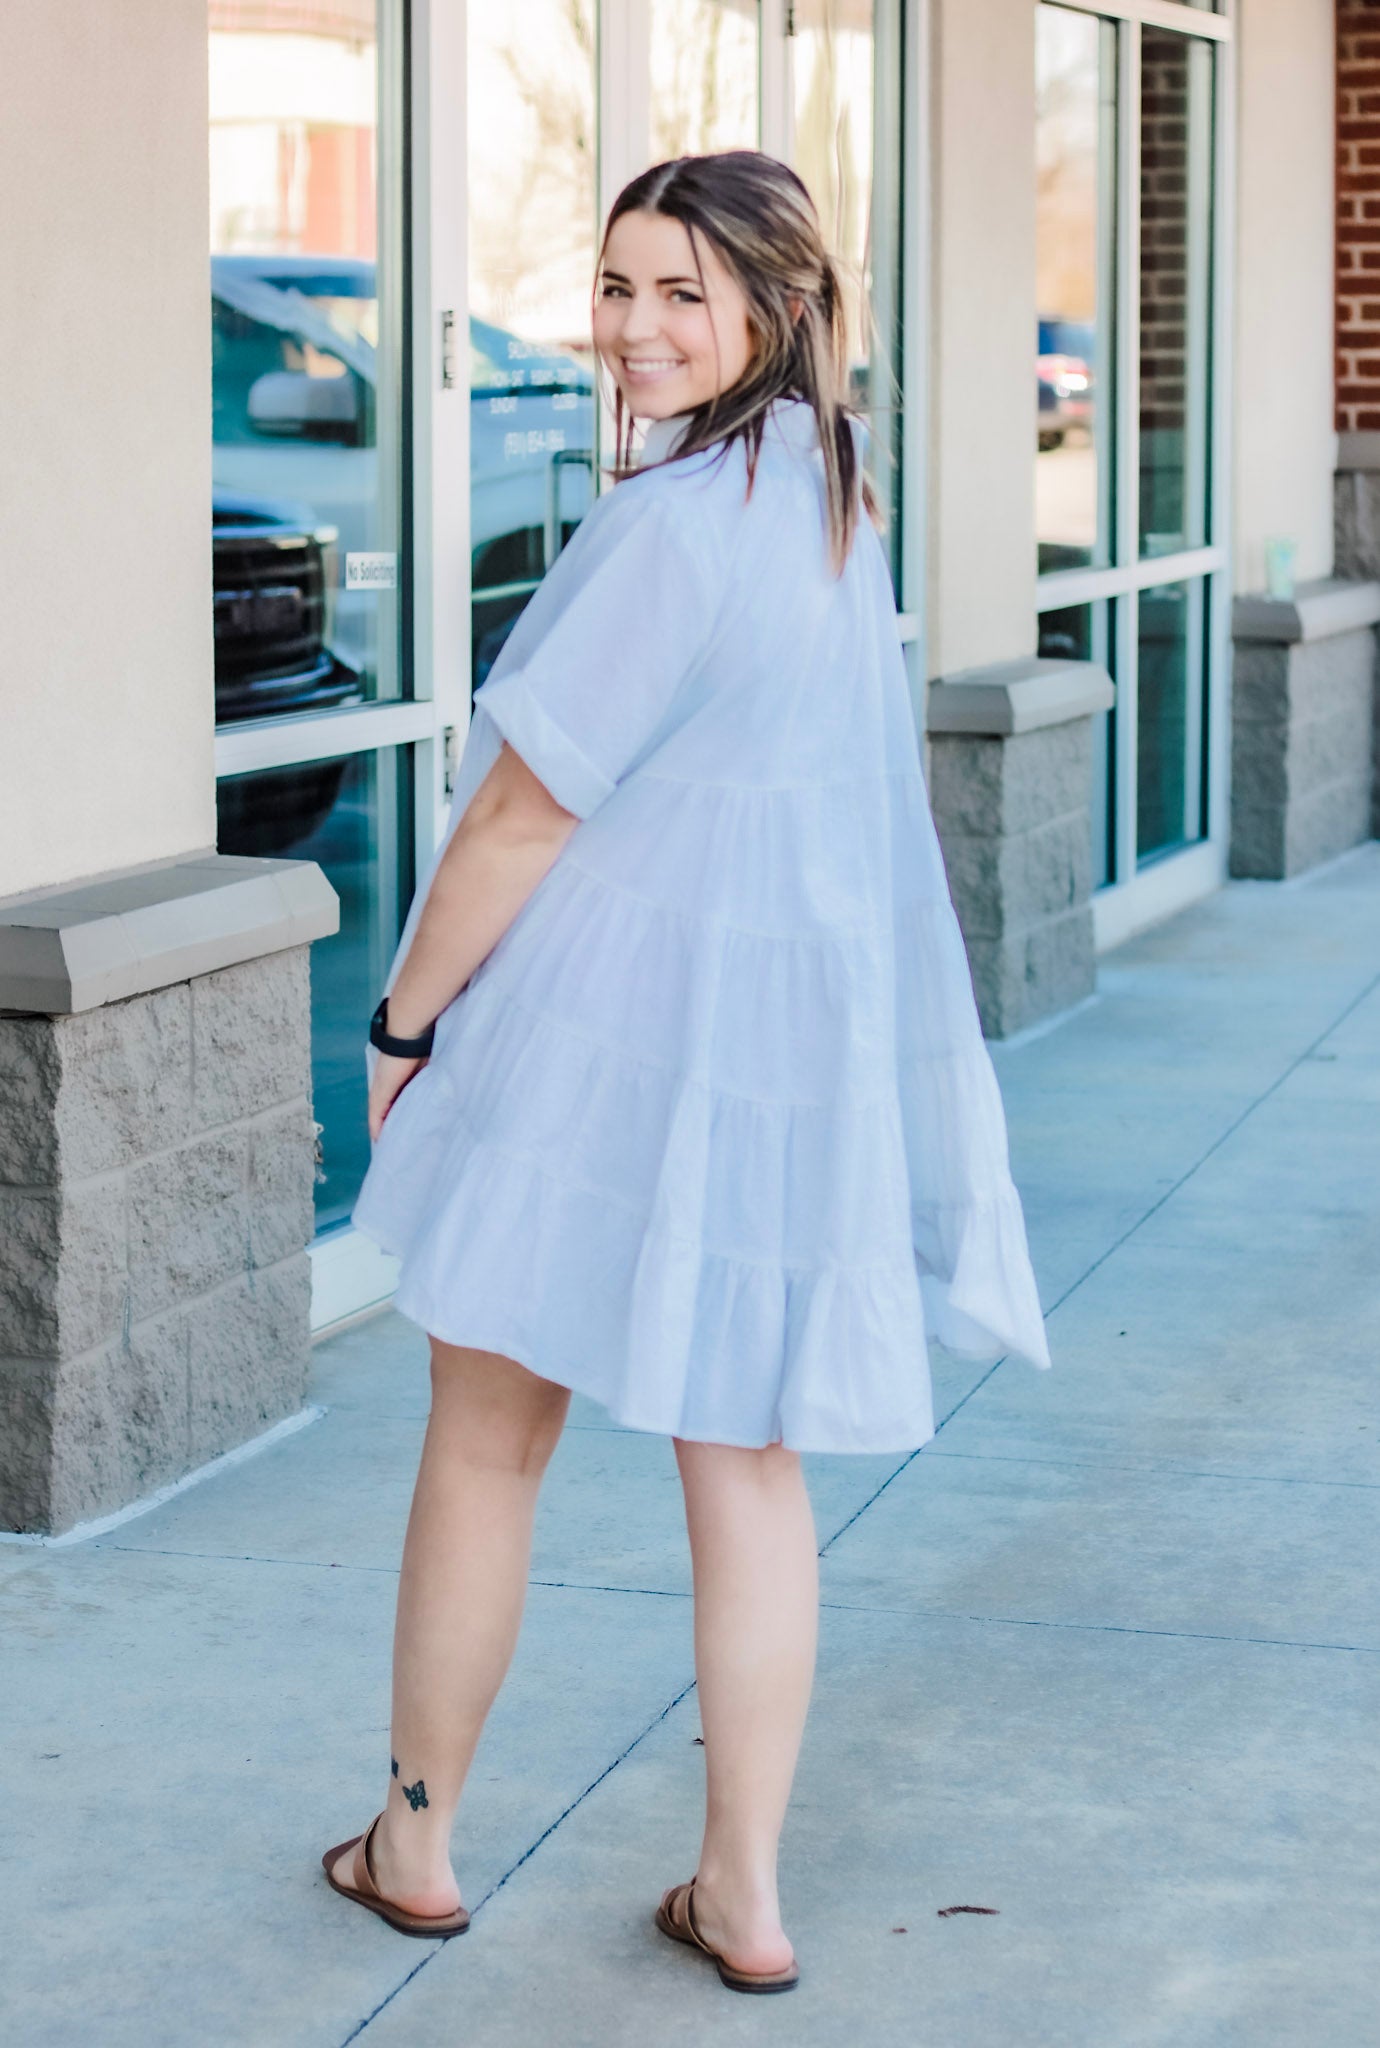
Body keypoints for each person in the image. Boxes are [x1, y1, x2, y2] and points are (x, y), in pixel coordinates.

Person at [322, 150, 1051, 1994]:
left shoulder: (675, 521)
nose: (633, 330)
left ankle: (414, 1837)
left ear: (776, 311)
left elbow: (518, 817)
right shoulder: (824, 490)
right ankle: (742, 1895)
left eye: (680, 294)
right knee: (748, 1458)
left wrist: (403, 1023)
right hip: (763, 1049)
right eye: (616, 285)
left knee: (489, 1433)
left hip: (601, 1034)